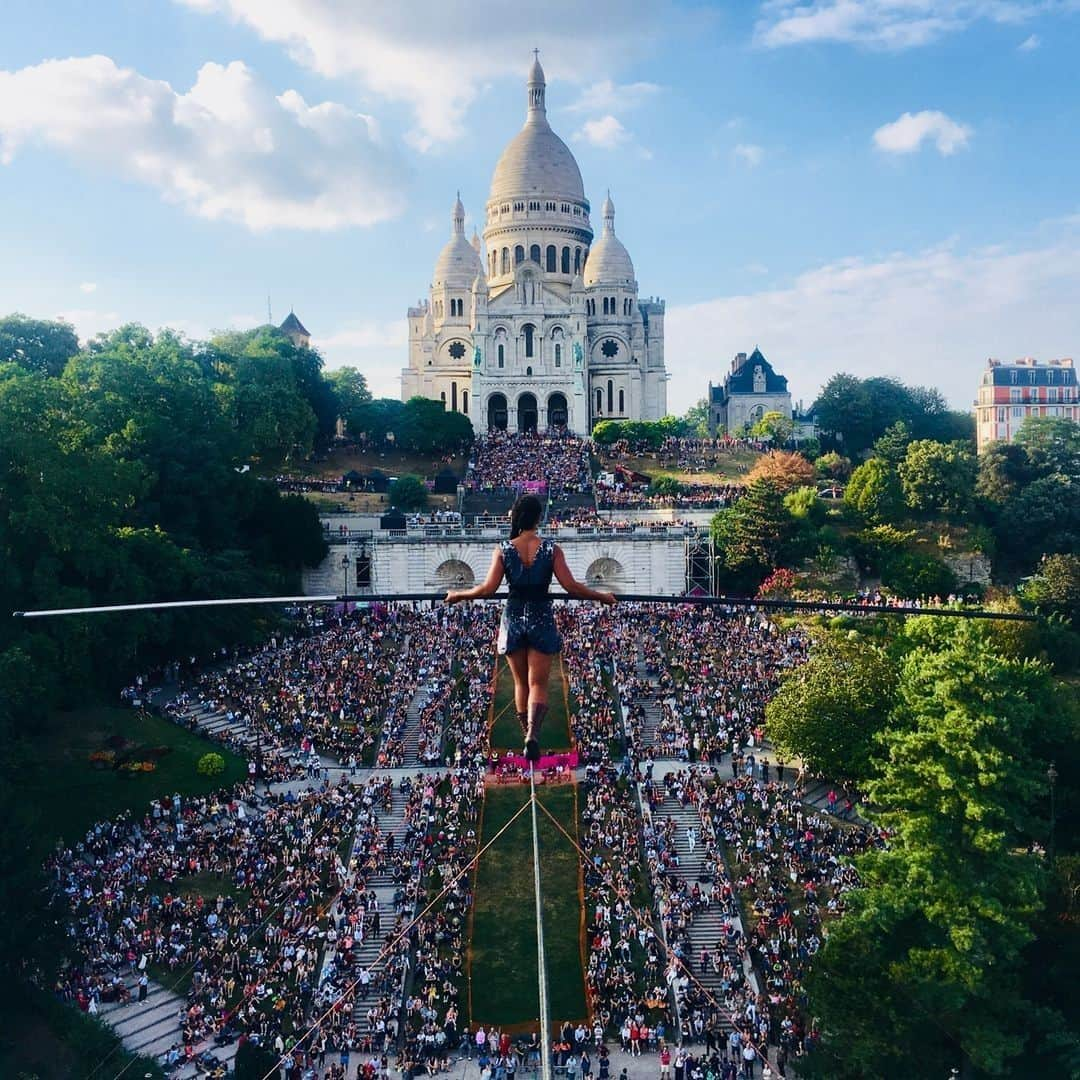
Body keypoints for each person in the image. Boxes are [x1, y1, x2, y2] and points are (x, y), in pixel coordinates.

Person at [445, 494, 615, 761]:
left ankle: (526, 733)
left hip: (513, 617)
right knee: (538, 682)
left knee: (520, 682)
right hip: (540, 615)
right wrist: (602, 597)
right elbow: (571, 587)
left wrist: (459, 595)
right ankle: (532, 735)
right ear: (538, 518)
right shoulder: (550, 549)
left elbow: (488, 590)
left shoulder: (503, 549)